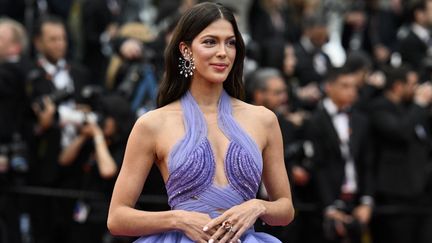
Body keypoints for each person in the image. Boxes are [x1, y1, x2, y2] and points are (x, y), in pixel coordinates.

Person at [108, 2, 294, 243]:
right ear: (185, 50)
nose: (222, 52)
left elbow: (286, 209)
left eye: (230, 42)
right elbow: (117, 218)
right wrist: (179, 219)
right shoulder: (152, 124)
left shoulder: (264, 119)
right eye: (210, 42)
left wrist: (258, 207)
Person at [306, 67, 374, 243]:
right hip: (325, 204)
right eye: (345, 86)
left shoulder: (361, 120)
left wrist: (366, 201)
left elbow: (367, 163)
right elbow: (318, 166)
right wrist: (329, 206)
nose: (352, 91)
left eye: (354, 86)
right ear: (329, 87)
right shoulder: (315, 121)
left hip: (357, 202)